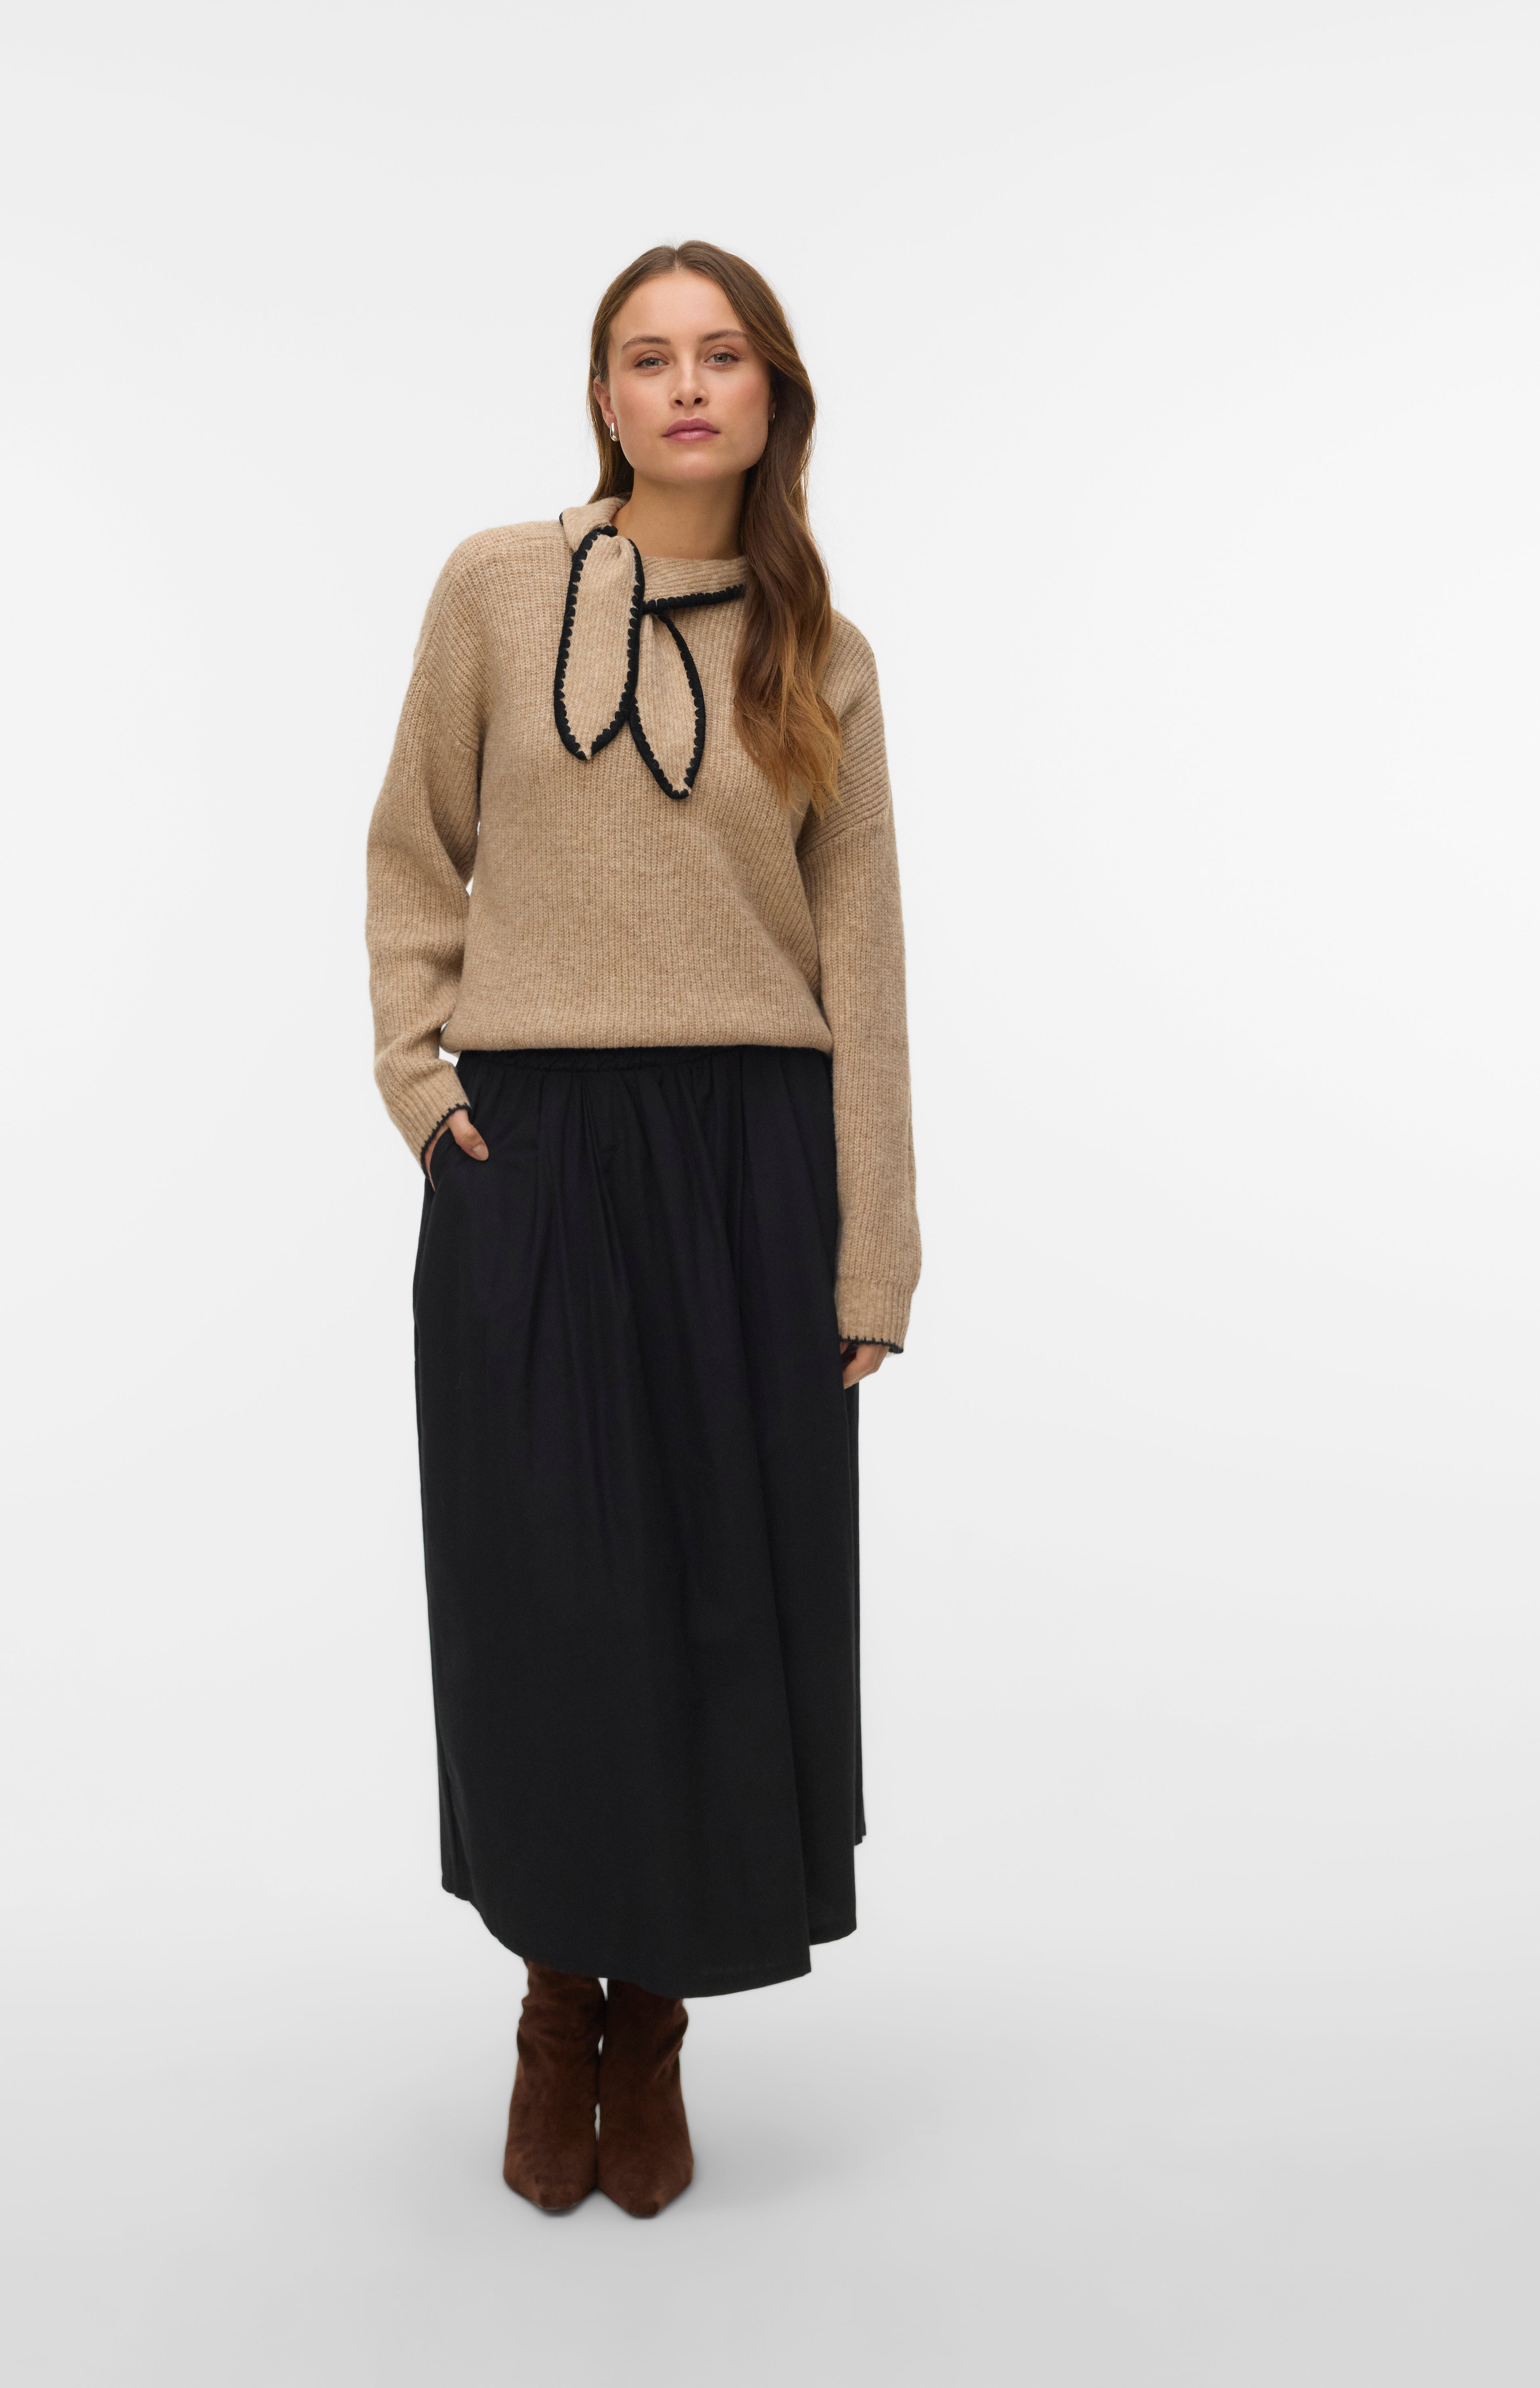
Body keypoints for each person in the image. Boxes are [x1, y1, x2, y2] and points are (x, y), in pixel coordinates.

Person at [364, 239, 920, 2217]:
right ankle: (550, 2007)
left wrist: (875, 1248)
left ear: (771, 395)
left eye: (721, 354)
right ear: (602, 395)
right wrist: (421, 1084)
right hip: (532, 1145)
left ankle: (656, 2020)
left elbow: (863, 961)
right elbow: (411, 847)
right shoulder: (497, 590)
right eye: (647, 356)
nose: (686, 385)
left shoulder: (821, 651)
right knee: (543, 1595)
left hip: (753, 1153)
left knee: (714, 1601)